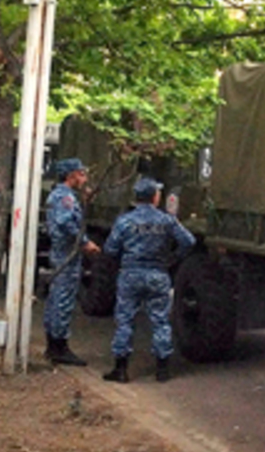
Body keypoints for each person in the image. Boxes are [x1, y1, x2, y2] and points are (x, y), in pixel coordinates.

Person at [101, 177, 195, 384]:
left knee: (125, 320)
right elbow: (189, 241)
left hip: (130, 274)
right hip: (158, 274)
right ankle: (162, 369)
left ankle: (121, 369)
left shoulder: (125, 220)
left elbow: (110, 249)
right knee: (160, 320)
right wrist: (173, 259)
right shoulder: (166, 220)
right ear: (154, 197)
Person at [43, 158, 100, 366]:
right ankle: (59, 347)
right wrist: (85, 243)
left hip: (62, 253)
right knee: (63, 300)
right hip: (67, 253)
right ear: (71, 175)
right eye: (81, 173)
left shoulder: (62, 195)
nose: (84, 177)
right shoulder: (65, 197)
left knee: (56, 298)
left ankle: (53, 345)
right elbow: (66, 223)